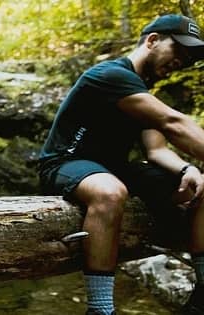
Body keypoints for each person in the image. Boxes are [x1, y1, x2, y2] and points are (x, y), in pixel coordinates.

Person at [38, 14, 204, 315]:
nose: (181, 61)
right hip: (65, 162)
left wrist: (186, 169)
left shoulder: (141, 91)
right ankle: (100, 309)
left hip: (114, 168)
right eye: (178, 51)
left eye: (189, 58)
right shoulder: (110, 75)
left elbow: (156, 150)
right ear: (152, 41)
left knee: (201, 186)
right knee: (110, 192)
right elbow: (174, 122)